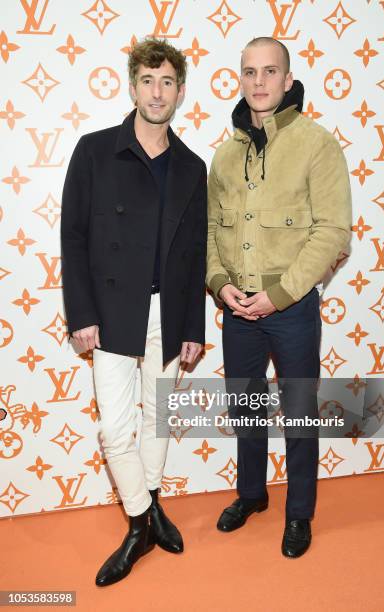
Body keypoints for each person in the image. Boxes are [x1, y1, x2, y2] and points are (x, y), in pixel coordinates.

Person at [61, 37, 207, 586]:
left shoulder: (193, 166)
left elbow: (194, 253)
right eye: (147, 80)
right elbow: (73, 238)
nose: (157, 91)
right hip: (112, 311)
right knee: (116, 428)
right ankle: (141, 522)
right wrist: (81, 314)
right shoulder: (95, 150)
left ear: (180, 92)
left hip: (167, 315)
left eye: (167, 81)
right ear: (132, 86)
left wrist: (193, 325)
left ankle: (147, 514)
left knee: (158, 419)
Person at [206, 37, 352, 558]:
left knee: (298, 411)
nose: (260, 81)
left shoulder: (317, 144)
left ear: (289, 81)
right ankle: (251, 496)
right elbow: (210, 233)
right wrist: (219, 284)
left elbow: (333, 230)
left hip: (290, 310)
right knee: (245, 409)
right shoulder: (224, 154)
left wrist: (281, 294)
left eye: (270, 72)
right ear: (240, 80)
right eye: (250, 72)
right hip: (236, 310)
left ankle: (299, 513)